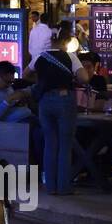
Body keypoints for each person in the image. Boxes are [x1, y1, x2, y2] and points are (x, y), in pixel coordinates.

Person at [33, 24, 86, 195]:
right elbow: (84, 78)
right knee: (65, 144)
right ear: (64, 41)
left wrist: (42, 80)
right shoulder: (70, 57)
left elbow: (26, 73)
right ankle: (63, 187)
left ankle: (50, 187)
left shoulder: (40, 57)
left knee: (50, 143)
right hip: (64, 100)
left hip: (44, 102)